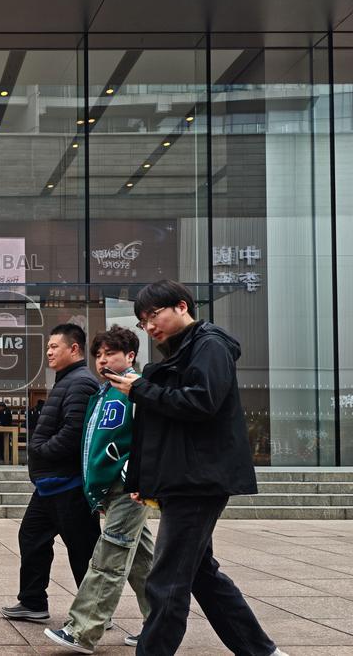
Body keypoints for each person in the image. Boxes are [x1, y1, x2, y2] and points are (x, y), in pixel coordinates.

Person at [106, 280, 287, 656]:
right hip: (184, 478)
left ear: (182, 306)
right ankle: (261, 651)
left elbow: (201, 403)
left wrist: (141, 390)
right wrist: (144, 480)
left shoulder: (209, 345)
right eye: (143, 321)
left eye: (154, 315)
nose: (150, 326)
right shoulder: (180, 353)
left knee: (167, 580)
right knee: (201, 575)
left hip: (198, 481)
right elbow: (164, 428)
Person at [43, 325, 154, 653]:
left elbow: (148, 440)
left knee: (109, 556)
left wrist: (134, 479)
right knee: (142, 560)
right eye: (100, 355)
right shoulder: (105, 392)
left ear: (130, 356)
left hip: (130, 487)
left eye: (111, 354)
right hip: (114, 488)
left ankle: (82, 630)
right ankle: (161, 622)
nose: (103, 361)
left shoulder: (137, 391)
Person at [1, 323, 100, 623]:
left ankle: (95, 613)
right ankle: (33, 602)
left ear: (74, 349)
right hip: (49, 486)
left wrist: (40, 449)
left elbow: (74, 434)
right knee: (31, 537)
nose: (49, 352)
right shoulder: (67, 381)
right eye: (48, 347)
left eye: (54, 346)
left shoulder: (81, 382)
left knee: (82, 550)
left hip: (69, 484)